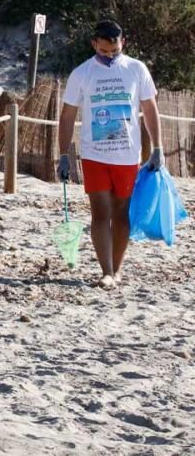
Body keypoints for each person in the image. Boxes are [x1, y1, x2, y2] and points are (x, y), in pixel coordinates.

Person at [57, 19, 161, 289]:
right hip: (95, 154)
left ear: (122, 43)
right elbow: (67, 115)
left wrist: (158, 148)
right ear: (94, 44)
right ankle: (106, 271)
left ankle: (117, 268)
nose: (109, 56)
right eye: (103, 52)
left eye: (114, 51)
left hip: (128, 155)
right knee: (100, 213)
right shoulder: (82, 73)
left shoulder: (136, 69)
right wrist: (64, 154)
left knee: (121, 213)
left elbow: (150, 109)